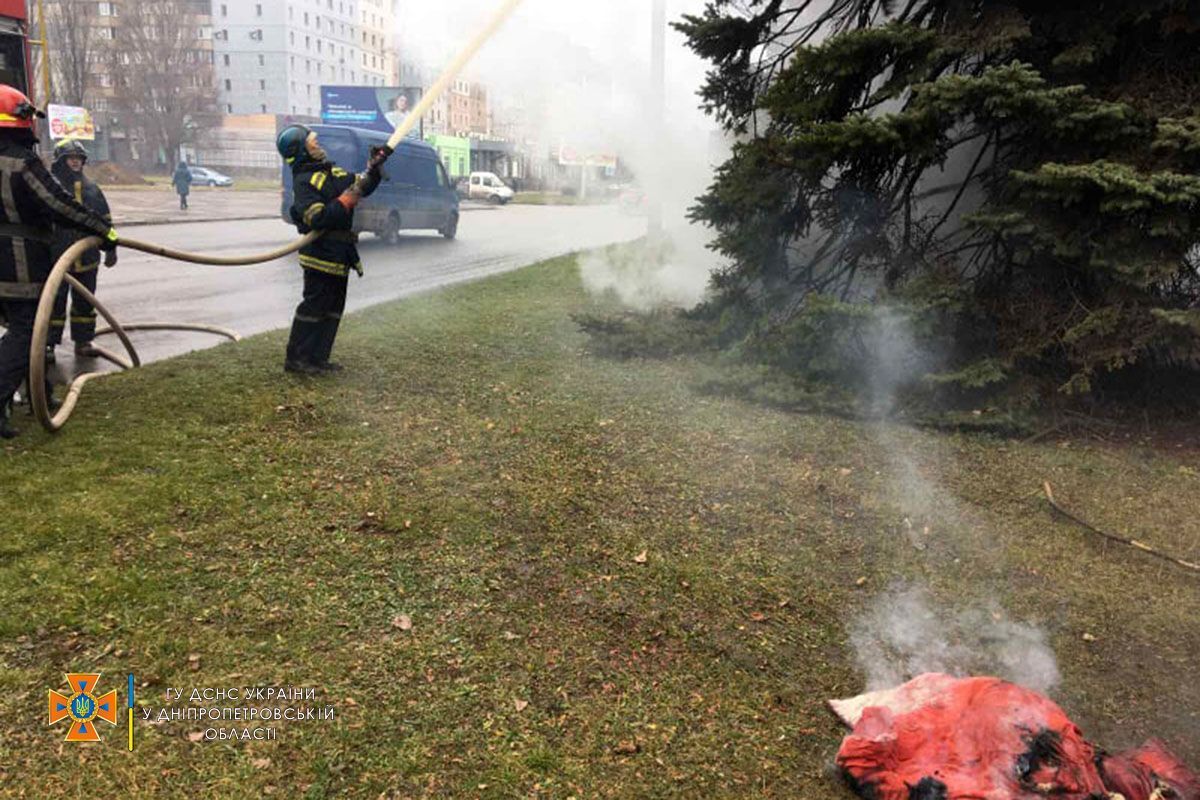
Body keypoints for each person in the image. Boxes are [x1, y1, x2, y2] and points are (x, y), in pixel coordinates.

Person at [0, 85, 118, 439]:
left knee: (23, 333)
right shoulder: (22, 162)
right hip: (20, 264)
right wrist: (103, 230)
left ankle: (38, 395)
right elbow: (59, 204)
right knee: (26, 333)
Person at [275, 124, 390, 375]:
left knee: (333, 310)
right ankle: (297, 360)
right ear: (302, 150)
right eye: (313, 143)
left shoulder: (332, 172)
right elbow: (317, 218)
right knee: (313, 309)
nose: (318, 145)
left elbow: (361, 185)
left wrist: (375, 168)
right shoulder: (305, 181)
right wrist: (344, 201)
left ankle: (317, 359)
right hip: (320, 256)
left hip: (339, 254)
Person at [47, 138, 117, 362]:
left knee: (85, 304)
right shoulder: (49, 189)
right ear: (61, 161)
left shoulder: (91, 189)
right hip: (56, 259)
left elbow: (106, 223)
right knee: (52, 304)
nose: (76, 163)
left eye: (79, 159)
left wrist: (111, 247)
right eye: (71, 158)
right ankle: (47, 344)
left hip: (87, 259)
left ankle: (83, 342)